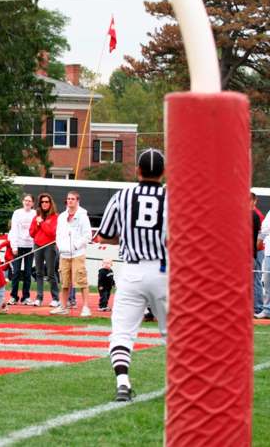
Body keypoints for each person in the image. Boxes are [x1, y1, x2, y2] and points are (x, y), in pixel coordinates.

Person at [98, 148, 169, 402]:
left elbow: (105, 233)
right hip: (163, 269)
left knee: (122, 332)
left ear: (138, 170)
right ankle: (184, 384)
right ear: (163, 172)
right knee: (174, 333)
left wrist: (128, 235)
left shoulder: (123, 196)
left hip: (132, 269)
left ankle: (123, 383)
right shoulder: (173, 197)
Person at [30, 193, 59, 307]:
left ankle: (55, 298)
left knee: (51, 273)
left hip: (50, 246)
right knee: (39, 272)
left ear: (50, 203)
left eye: (47, 202)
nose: (44, 204)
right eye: (42, 202)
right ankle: (39, 297)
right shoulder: (36, 216)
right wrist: (37, 224)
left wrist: (41, 223)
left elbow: (52, 233)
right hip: (38, 245)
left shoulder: (55, 217)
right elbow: (31, 233)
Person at [8, 194, 36, 305]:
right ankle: (13, 296)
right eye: (25, 200)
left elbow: (37, 230)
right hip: (18, 245)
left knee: (28, 273)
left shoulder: (35, 214)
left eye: (29, 201)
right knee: (16, 272)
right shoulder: (17, 213)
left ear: (33, 203)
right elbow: (13, 229)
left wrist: (34, 247)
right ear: (23, 201)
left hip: (30, 247)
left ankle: (26, 297)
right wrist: (14, 246)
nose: (27, 202)